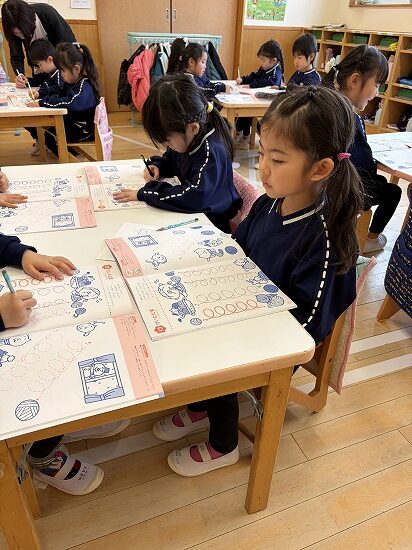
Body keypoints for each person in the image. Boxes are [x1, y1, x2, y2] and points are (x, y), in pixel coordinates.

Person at [151, 85, 362, 476]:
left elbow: (308, 325)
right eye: (262, 153)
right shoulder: (270, 202)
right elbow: (239, 249)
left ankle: (224, 444)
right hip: (248, 308)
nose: (262, 167)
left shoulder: (324, 239)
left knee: (215, 350)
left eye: (277, 159)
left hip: (281, 338)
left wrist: (240, 326)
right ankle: (203, 403)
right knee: (185, 316)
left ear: (320, 169)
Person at [113, 75, 242, 233]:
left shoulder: (211, 153)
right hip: (193, 215)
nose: (168, 146)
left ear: (193, 128)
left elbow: (193, 197)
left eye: (168, 140)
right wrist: (159, 166)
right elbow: (172, 159)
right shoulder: (189, 138)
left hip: (212, 225)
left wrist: (147, 192)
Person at [322, 45, 401, 253]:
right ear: (354, 80)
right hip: (345, 189)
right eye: (377, 85)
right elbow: (362, 163)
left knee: (381, 183)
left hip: (330, 184)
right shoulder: (348, 117)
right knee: (393, 192)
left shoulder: (329, 102)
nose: (377, 93)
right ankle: (370, 239)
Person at [27, 42, 99, 158]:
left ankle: (74, 158)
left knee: (49, 135)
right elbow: (58, 91)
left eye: (63, 71)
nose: (61, 75)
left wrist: (42, 103)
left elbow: (70, 102)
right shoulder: (73, 83)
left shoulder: (85, 87)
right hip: (77, 126)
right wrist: (42, 96)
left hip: (85, 131)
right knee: (48, 132)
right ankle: (73, 157)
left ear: (76, 69)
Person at [1, 0, 75, 87]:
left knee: (60, 85)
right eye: (17, 33)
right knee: (41, 85)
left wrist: (55, 68)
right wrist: (20, 74)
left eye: (22, 32)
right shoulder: (12, 28)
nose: (22, 37)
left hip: (63, 58)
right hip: (43, 65)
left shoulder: (47, 14)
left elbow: (62, 46)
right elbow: (16, 55)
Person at [235, 39, 284, 149]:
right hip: (256, 99)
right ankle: (241, 134)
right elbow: (255, 76)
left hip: (268, 105)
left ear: (274, 61)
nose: (261, 63)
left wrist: (251, 85)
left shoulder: (276, 73)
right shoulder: (264, 68)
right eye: (261, 59)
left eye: (263, 60)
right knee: (244, 111)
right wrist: (243, 80)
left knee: (247, 112)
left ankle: (245, 136)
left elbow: (268, 83)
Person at [25, 38, 64, 156]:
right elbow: (48, 86)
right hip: (54, 106)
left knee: (47, 135)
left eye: (40, 65)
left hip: (61, 111)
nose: (40, 69)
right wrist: (39, 93)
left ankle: (71, 155)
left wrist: (41, 97)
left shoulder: (60, 73)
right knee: (29, 118)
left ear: (50, 59)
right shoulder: (52, 73)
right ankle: (42, 142)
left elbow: (58, 90)